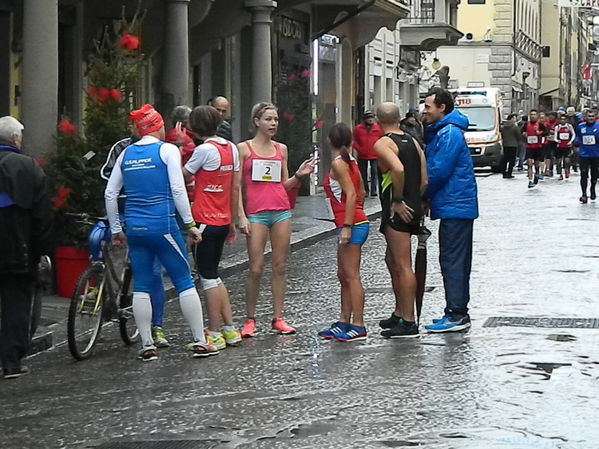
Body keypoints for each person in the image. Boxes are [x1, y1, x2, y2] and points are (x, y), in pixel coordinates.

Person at [104, 104, 217, 361]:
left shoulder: (126, 154)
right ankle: (200, 340)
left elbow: (110, 193)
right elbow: (178, 189)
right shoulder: (166, 150)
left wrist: (116, 229)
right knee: (183, 280)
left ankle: (147, 345)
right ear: (156, 126)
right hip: (163, 226)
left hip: (135, 227)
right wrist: (189, 224)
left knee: (142, 283)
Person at [237, 102, 315, 337]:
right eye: (269, 119)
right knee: (256, 268)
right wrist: (241, 216)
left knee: (280, 266)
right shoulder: (243, 149)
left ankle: (278, 317)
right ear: (256, 122)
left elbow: (283, 185)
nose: (273, 124)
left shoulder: (281, 149)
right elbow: (236, 187)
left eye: (276, 120)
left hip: (280, 211)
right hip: (256, 213)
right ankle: (250, 319)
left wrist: (298, 176)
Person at [101, 131, 171, 348]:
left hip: (150, 215)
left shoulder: (163, 150)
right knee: (95, 239)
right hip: (123, 210)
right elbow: (107, 177)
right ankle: (99, 286)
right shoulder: (122, 148)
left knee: (152, 272)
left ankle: (156, 326)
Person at [182, 106, 242, 350]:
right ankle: (230, 329)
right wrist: (234, 219)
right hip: (222, 219)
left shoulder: (203, 150)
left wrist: (177, 147)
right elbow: (235, 187)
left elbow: (182, 176)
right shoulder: (231, 148)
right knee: (215, 275)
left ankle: (214, 333)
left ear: (195, 127)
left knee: (207, 277)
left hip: (204, 220)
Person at [420, 88, 478, 333]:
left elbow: (438, 170)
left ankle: (456, 313)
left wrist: (422, 194)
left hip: (456, 205)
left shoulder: (449, 133)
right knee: (454, 260)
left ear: (442, 108)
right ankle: (455, 310)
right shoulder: (446, 132)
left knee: (453, 260)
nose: (424, 111)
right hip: (455, 205)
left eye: (428, 106)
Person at [0, 116, 53, 378]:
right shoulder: (30, 167)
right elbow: (42, 215)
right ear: (15, 139)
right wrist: (41, 251)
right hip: (18, 250)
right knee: (17, 305)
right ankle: (11, 362)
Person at [375, 103, 427, 338]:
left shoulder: (384, 143)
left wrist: (397, 200)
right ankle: (399, 312)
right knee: (392, 260)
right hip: (414, 204)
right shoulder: (413, 141)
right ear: (399, 118)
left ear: (378, 119)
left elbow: (397, 169)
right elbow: (424, 179)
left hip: (398, 208)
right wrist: (418, 201)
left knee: (403, 264)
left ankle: (408, 322)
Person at [318, 123, 369, 342]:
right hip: (352, 222)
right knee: (344, 275)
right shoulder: (351, 161)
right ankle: (344, 320)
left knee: (351, 275)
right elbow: (362, 192)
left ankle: (358, 324)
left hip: (351, 224)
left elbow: (350, 193)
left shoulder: (339, 164)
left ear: (329, 140)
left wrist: (347, 225)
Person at [352, 110, 383, 197]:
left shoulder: (378, 128)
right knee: (363, 173)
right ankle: (365, 189)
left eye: (372, 118)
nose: (370, 120)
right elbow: (354, 140)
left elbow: (382, 139)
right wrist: (358, 149)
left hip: (375, 154)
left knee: (374, 172)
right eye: (368, 118)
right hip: (362, 154)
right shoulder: (358, 129)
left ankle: (373, 190)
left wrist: (379, 148)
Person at [573, 109, 599, 204]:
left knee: (594, 174)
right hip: (584, 154)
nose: (591, 118)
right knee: (584, 174)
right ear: (585, 117)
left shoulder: (598, 126)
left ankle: (592, 188)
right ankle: (584, 194)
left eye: (592, 116)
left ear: (595, 117)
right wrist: (576, 142)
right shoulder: (581, 126)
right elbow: (578, 136)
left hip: (596, 154)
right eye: (589, 116)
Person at [523, 109, 546, 188]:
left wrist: (540, 133)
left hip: (537, 147)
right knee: (529, 163)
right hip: (529, 146)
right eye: (531, 114)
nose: (533, 116)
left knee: (536, 164)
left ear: (537, 116)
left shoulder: (540, 124)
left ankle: (537, 173)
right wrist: (524, 134)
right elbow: (522, 131)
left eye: (534, 114)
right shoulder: (526, 124)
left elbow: (546, 132)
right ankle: (530, 180)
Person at [553, 114, 575, 181]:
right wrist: (557, 141)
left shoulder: (569, 126)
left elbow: (573, 134)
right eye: (561, 119)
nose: (563, 120)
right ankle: (560, 174)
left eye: (564, 119)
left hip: (567, 145)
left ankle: (567, 169)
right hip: (560, 146)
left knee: (567, 160)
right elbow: (555, 137)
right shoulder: (557, 127)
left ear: (566, 120)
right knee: (559, 161)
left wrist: (571, 141)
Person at [500, 113, 522, 179]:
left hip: (505, 144)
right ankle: (509, 172)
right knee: (512, 160)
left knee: (505, 159)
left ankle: (504, 172)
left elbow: (502, 135)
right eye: (514, 118)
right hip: (513, 145)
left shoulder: (503, 127)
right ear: (512, 118)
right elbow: (518, 135)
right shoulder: (515, 127)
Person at [543, 111, 558, 177]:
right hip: (548, 141)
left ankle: (557, 168)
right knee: (548, 155)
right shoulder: (546, 123)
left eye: (552, 116)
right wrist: (548, 132)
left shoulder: (557, 123)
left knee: (556, 155)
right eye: (550, 116)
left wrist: (554, 132)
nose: (550, 117)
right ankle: (548, 169)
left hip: (556, 141)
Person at [566, 106, 580, 172]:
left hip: (575, 136)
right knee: (567, 152)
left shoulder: (577, 119)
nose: (570, 113)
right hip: (566, 137)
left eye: (571, 111)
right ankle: (567, 165)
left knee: (576, 151)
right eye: (569, 111)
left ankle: (575, 164)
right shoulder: (565, 118)